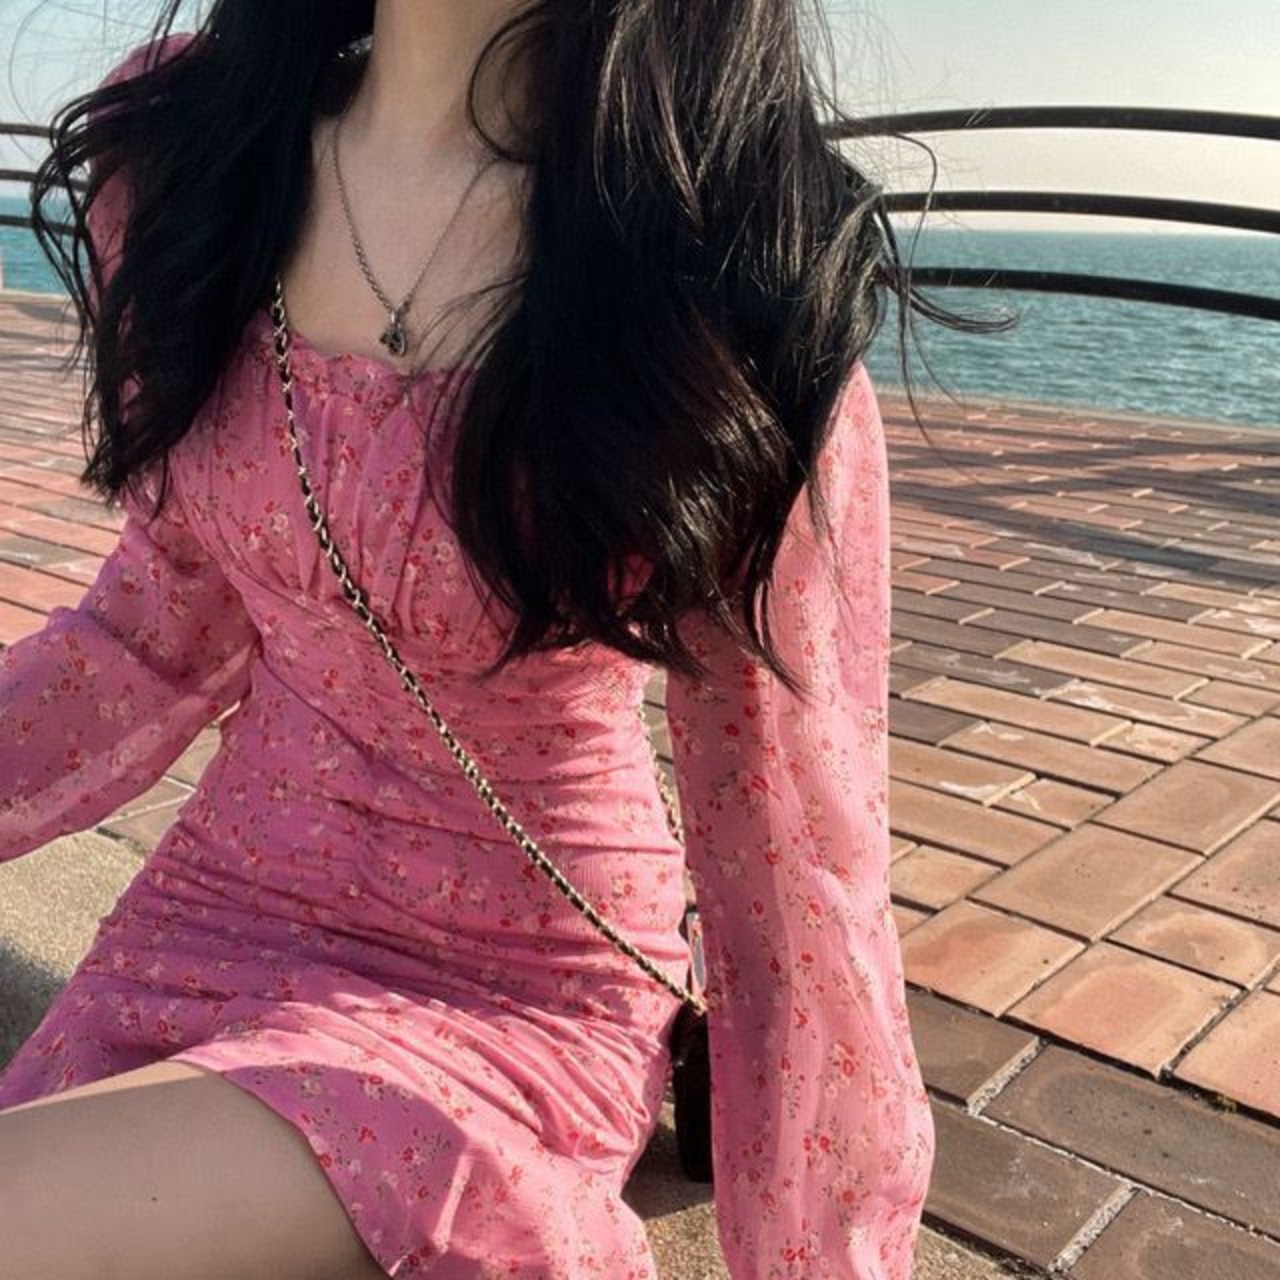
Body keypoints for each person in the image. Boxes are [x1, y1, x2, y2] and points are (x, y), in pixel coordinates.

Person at [0, 3, 966, 1276]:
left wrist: (820, 1255)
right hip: (213, 908)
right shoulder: (192, 158)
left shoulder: (715, 249)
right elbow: (149, 628)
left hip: (515, 984)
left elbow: (788, 849)